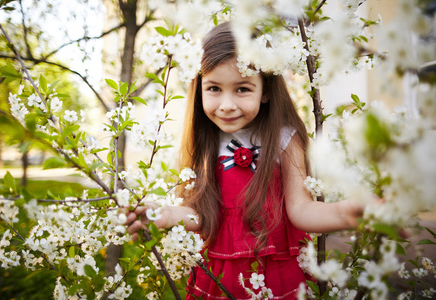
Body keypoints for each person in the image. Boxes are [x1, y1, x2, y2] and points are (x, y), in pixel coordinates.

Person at [126, 22, 363, 299]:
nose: (227, 104)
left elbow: (301, 210)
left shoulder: (284, 139)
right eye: (214, 88)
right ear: (199, 88)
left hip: (276, 275)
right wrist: (164, 214)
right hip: (219, 278)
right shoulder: (205, 142)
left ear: (267, 91)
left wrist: (347, 213)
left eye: (242, 89)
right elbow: (201, 214)